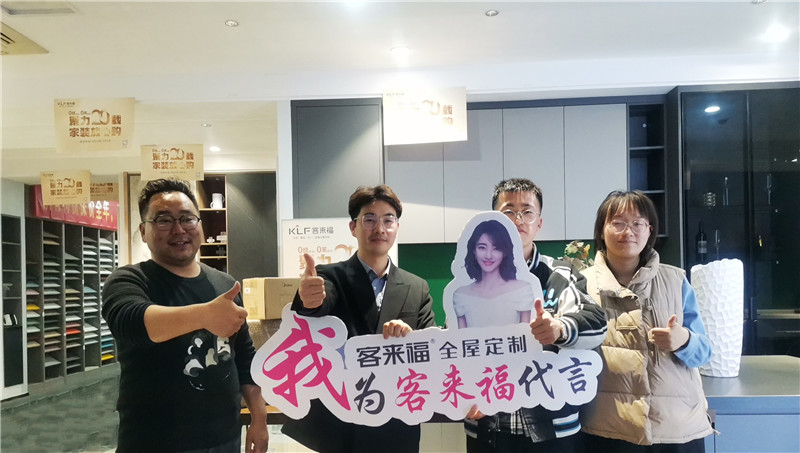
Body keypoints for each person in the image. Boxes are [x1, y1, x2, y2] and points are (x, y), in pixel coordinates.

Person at [102, 178, 268, 453]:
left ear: (200, 225)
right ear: (143, 231)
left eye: (188, 219)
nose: (179, 229)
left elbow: (244, 358)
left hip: (224, 440)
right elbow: (132, 322)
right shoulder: (128, 280)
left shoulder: (225, 284)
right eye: (163, 220)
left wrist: (259, 417)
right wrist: (205, 316)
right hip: (154, 443)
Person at [281, 184, 436, 453]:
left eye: (388, 220)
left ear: (397, 227)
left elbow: (431, 348)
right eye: (369, 220)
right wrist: (309, 299)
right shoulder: (330, 277)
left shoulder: (417, 287)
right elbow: (318, 305)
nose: (380, 229)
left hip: (397, 424)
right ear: (353, 227)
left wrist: (409, 338)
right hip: (342, 426)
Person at [464, 177, 607, 453]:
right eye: (508, 211)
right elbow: (456, 346)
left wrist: (560, 328)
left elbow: (597, 321)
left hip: (552, 428)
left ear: (539, 223)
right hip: (487, 425)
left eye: (527, 212)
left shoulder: (560, 274)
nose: (518, 219)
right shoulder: (469, 283)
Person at [579, 190, 713, 452]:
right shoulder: (581, 284)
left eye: (637, 223)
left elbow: (704, 353)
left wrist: (684, 340)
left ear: (649, 230)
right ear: (602, 230)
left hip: (676, 429)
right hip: (607, 427)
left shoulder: (675, 281)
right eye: (618, 223)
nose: (627, 231)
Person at [453, 219, 534, 328]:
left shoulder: (522, 290)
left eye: (496, 248)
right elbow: (461, 337)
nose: (488, 255)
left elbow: (526, 335)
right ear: (474, 250)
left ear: (504, 252)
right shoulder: (461, 295)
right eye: (482, 247)